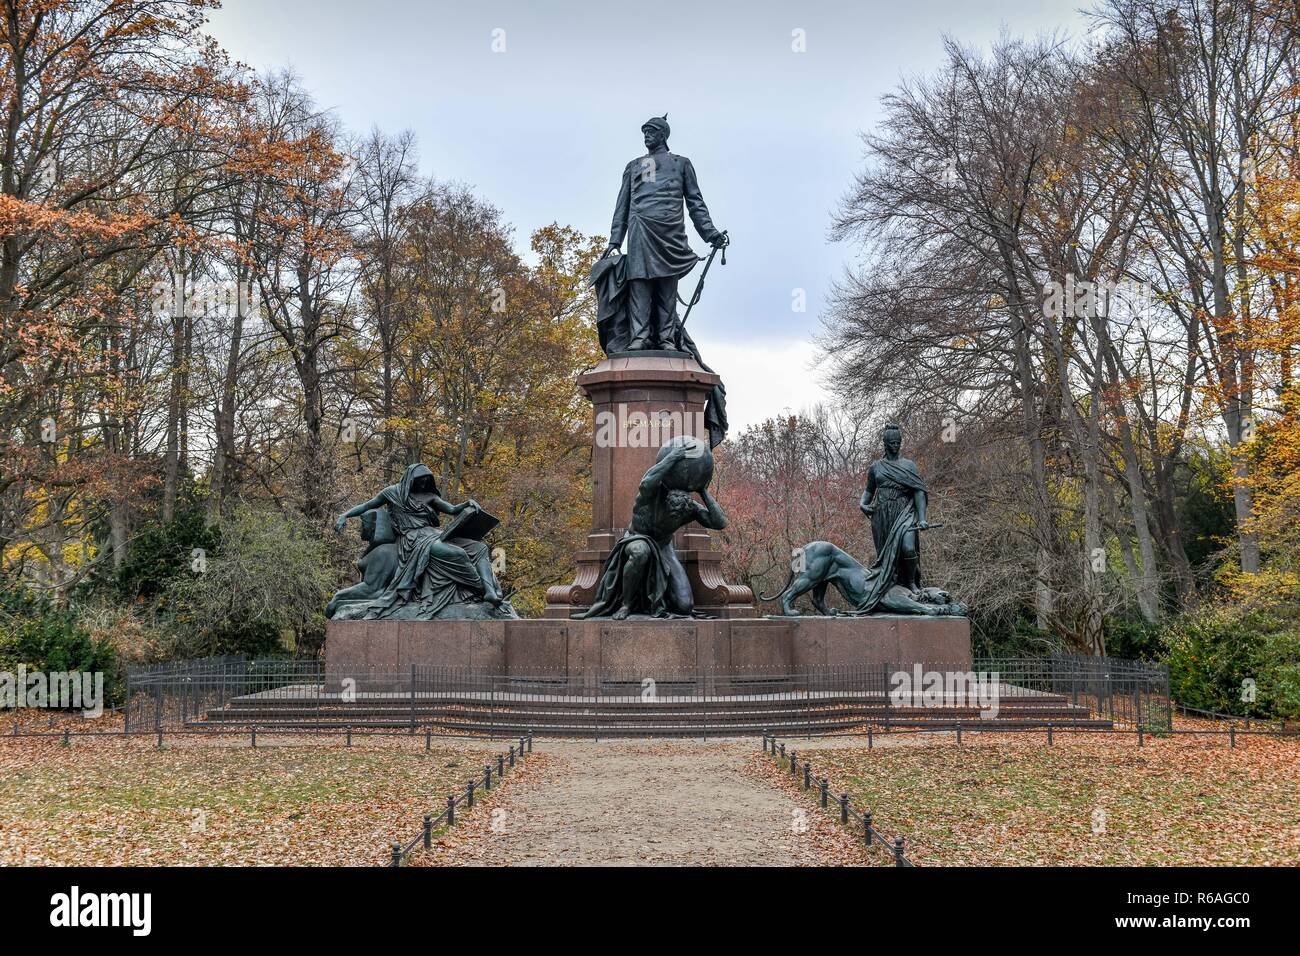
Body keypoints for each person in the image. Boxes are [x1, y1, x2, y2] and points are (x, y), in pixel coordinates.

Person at [603, 115, 728, 350]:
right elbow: (623, 205)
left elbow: (695, 203)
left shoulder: (682, 163)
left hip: (670, 232)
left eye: (651, 132)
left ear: (663, 135)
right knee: (639, 283)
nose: (646, 137)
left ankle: (666, 338)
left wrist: (710, 233)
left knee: (666, 288)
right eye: (644, 133)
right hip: (641, 230)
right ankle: (639, 337)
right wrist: (615, 239)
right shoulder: (634, 165)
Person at [332, 463, 504, 618]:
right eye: (419, 480)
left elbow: (452, 509)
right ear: (409, 479)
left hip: (435, 534)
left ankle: (490, 592)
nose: (423, 484)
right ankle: (480, 588)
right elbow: (367, 505)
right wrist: (344, 515)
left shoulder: (430, 496)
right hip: (414, 539)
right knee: (455, 553)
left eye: (426, 480)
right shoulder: (392, 493)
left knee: (479, 547)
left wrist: (468, 504)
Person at [859, 423, 929, 593]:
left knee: (908, 548)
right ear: (885, 443)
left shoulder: (909, 465)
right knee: (886, 554)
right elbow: (869, 491)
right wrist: (862, 504)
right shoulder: (876, 467)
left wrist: (922, 518)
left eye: (898, 442)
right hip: (882, 515)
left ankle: (911, 582)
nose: (896, 446)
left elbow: (919, 491)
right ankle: (891, 585)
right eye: (892, 443)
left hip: (904, 512)